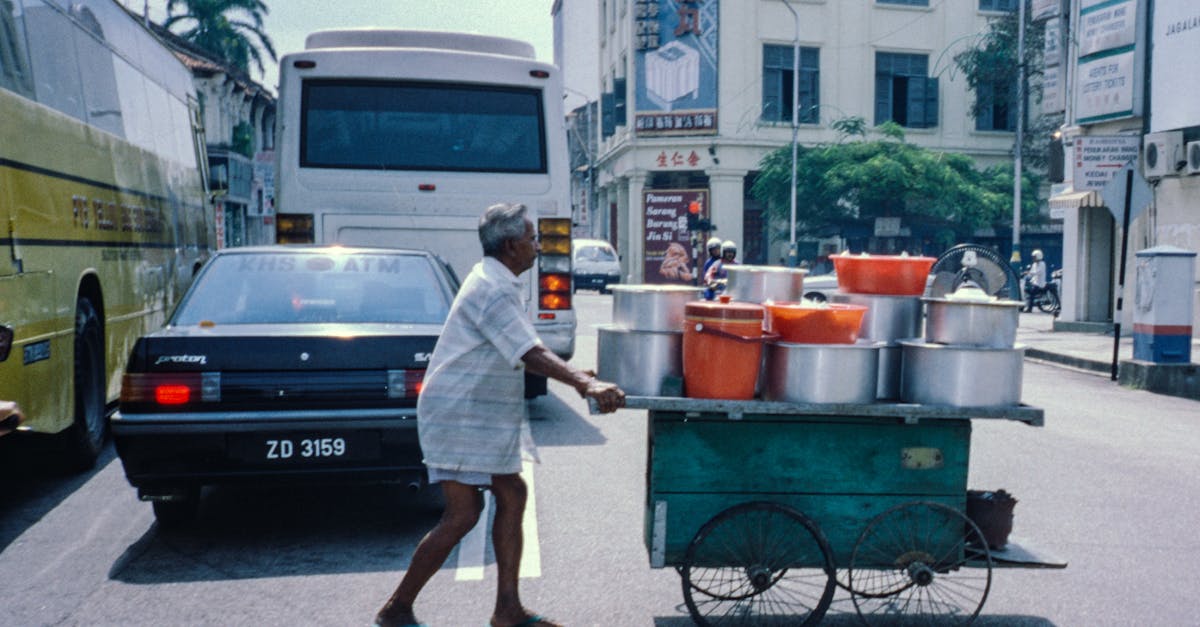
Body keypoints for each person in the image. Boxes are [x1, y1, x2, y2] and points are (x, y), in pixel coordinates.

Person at [373, 203, 626, 627]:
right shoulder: (492, 287)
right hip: (458, 413)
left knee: (512, 494)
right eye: (532, 239)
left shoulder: (498, 279)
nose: (537, 246)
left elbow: (526, 347)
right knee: (463, 514)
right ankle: (397, 608)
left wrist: (579, 374)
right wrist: (584, 384)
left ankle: (507, 608)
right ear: (511, 246)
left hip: (474, 411)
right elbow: (530, 352)